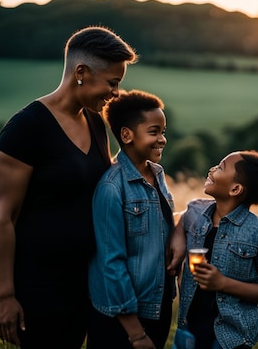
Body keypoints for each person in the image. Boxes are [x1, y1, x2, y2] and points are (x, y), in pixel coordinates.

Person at [0, 26, 137, 348]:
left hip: (89, 282)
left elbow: (110, 185)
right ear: (81, 72)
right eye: (112, 82)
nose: (116, 93)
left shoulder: (97, 122)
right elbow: (4, 219)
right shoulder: (26, 128)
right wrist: (6, 296)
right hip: (40, 287)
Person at [87, 89, 184, 349]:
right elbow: (111, 262)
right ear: (127, 135)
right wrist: (136, 334)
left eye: (163, 131)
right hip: (123, 320)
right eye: (154, 132)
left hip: (156, 307)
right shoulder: (111, 187)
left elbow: (156, 227)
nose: (162, 139)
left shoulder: (157, 174)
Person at [175, 150, 258, 349]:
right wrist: (178, 237)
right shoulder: (195, 213)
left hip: (232, 337)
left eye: (220, 167)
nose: (212, 169)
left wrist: (222, 283)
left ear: (235, 189)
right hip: (188, 330)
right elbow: (182, 217)